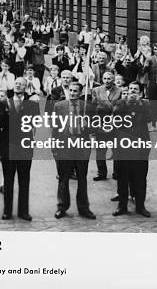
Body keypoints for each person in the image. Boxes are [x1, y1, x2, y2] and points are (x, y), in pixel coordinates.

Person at [51, 82, 96, 220]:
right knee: (63, 178)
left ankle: (83, 208)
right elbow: (55, 127)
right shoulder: (59, 106)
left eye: (75, 91)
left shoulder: (87, 106)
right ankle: (62, 206)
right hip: (65, 146)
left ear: (80, 93)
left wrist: (87, 125)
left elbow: (94, 127)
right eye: (70, 90)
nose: (72, 93)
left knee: (82, 178)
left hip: (82, 147)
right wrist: (54, 146)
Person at [112, 81, 152, 218]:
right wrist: (128, 103)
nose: (132, 92)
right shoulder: (121, 103)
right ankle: (122, 206)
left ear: (140, 93)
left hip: (140, 146)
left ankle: (140, 206)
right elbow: (115, 118)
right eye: (130, 89)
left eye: (135, 90)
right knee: (123, 178)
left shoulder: (145, 104)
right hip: (125, 146)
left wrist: (139, 103)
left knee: (141, 177)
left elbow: (149, 118)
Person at [2, 78, 39, 221]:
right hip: (8, 146)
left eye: (21, 84)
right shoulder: (5, 102)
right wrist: (3, 113)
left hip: (24, 146)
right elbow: (0, 123)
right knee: (8, 180)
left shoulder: (32, 104)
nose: (18, 85)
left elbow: (35, 123)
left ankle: (23, 211)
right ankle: (7, 211)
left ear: (26, 87)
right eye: (16, 83)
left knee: (24, 180)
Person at [91, 71, 122, 181]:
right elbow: (94, 107)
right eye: (105, 78)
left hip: (114, 125)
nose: (107, 81)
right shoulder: (96, 90)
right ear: (102, 79)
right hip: (101, 124)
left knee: (116, 151)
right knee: (100, 151)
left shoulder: (119, 91)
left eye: (109, 78)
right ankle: (101, 173)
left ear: (113, 80)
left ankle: (117, 173)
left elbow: (120, 106)